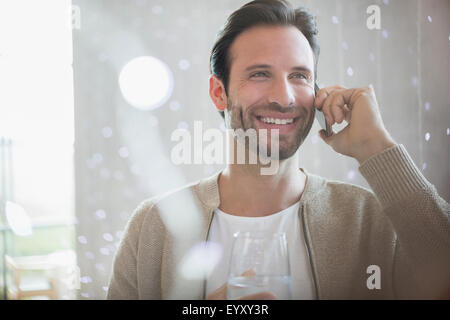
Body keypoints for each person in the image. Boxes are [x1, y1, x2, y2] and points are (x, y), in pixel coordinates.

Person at [107, 0, 450, 300]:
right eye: (259, 74)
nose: (283, 98)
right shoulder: (153, 228)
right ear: (219, 93)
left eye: (299, 76)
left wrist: (377, 147)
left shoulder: (371, 220)